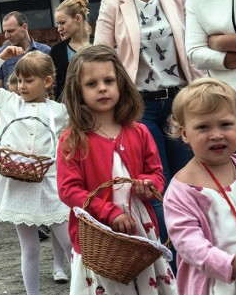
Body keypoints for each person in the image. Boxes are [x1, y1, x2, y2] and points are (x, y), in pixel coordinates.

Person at [94, 0, 204, 263]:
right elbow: (99, 56)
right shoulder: (112, 6)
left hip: (183, 101)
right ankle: (171, 262)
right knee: (155, 187)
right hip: (141, 106)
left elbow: (192, 44)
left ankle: (196, 256)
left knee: (190, 183)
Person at [57, 45, 176, 294]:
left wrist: (147, 185)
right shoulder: (72, 139)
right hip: (98, 233)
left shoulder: (139, 132)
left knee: (145, 281)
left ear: (120, 83)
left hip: (139, 227)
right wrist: (108, 212)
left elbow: (156, 173)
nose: (102, 88)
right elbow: (68, 189)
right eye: (92, 84)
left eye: (108, 80)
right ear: (77, 91)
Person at [0, 48, 72, 292]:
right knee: (29, 248)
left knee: (71, 243)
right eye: (19, 80)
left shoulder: (60, 112)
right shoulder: (10, 102)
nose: (22, 86)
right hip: (18, 182)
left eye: (29, 81)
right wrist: (2, 56)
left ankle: (84, 287)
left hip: (50, 181)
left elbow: (70, 142)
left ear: (47, 81)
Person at [164, 78, 236, 295]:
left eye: (225, 124)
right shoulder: (182, 191)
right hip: (214, 285)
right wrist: (230, 265)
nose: (216, 134)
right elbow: (189, 244)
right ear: (185, 133)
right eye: (203, 127)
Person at [51, 0, 93, 101]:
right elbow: (56, 87)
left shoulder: (100, 43)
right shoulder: (57, 51)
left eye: (62, 23)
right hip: (69, 110)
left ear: (77, 18)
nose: (59, 28)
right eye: (58, 24)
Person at [0, 12, 51, 90]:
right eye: (5, 32)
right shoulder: (1, 53)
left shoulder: (45, 51)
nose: (6, 36)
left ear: (24, 27)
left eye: (10, 31)